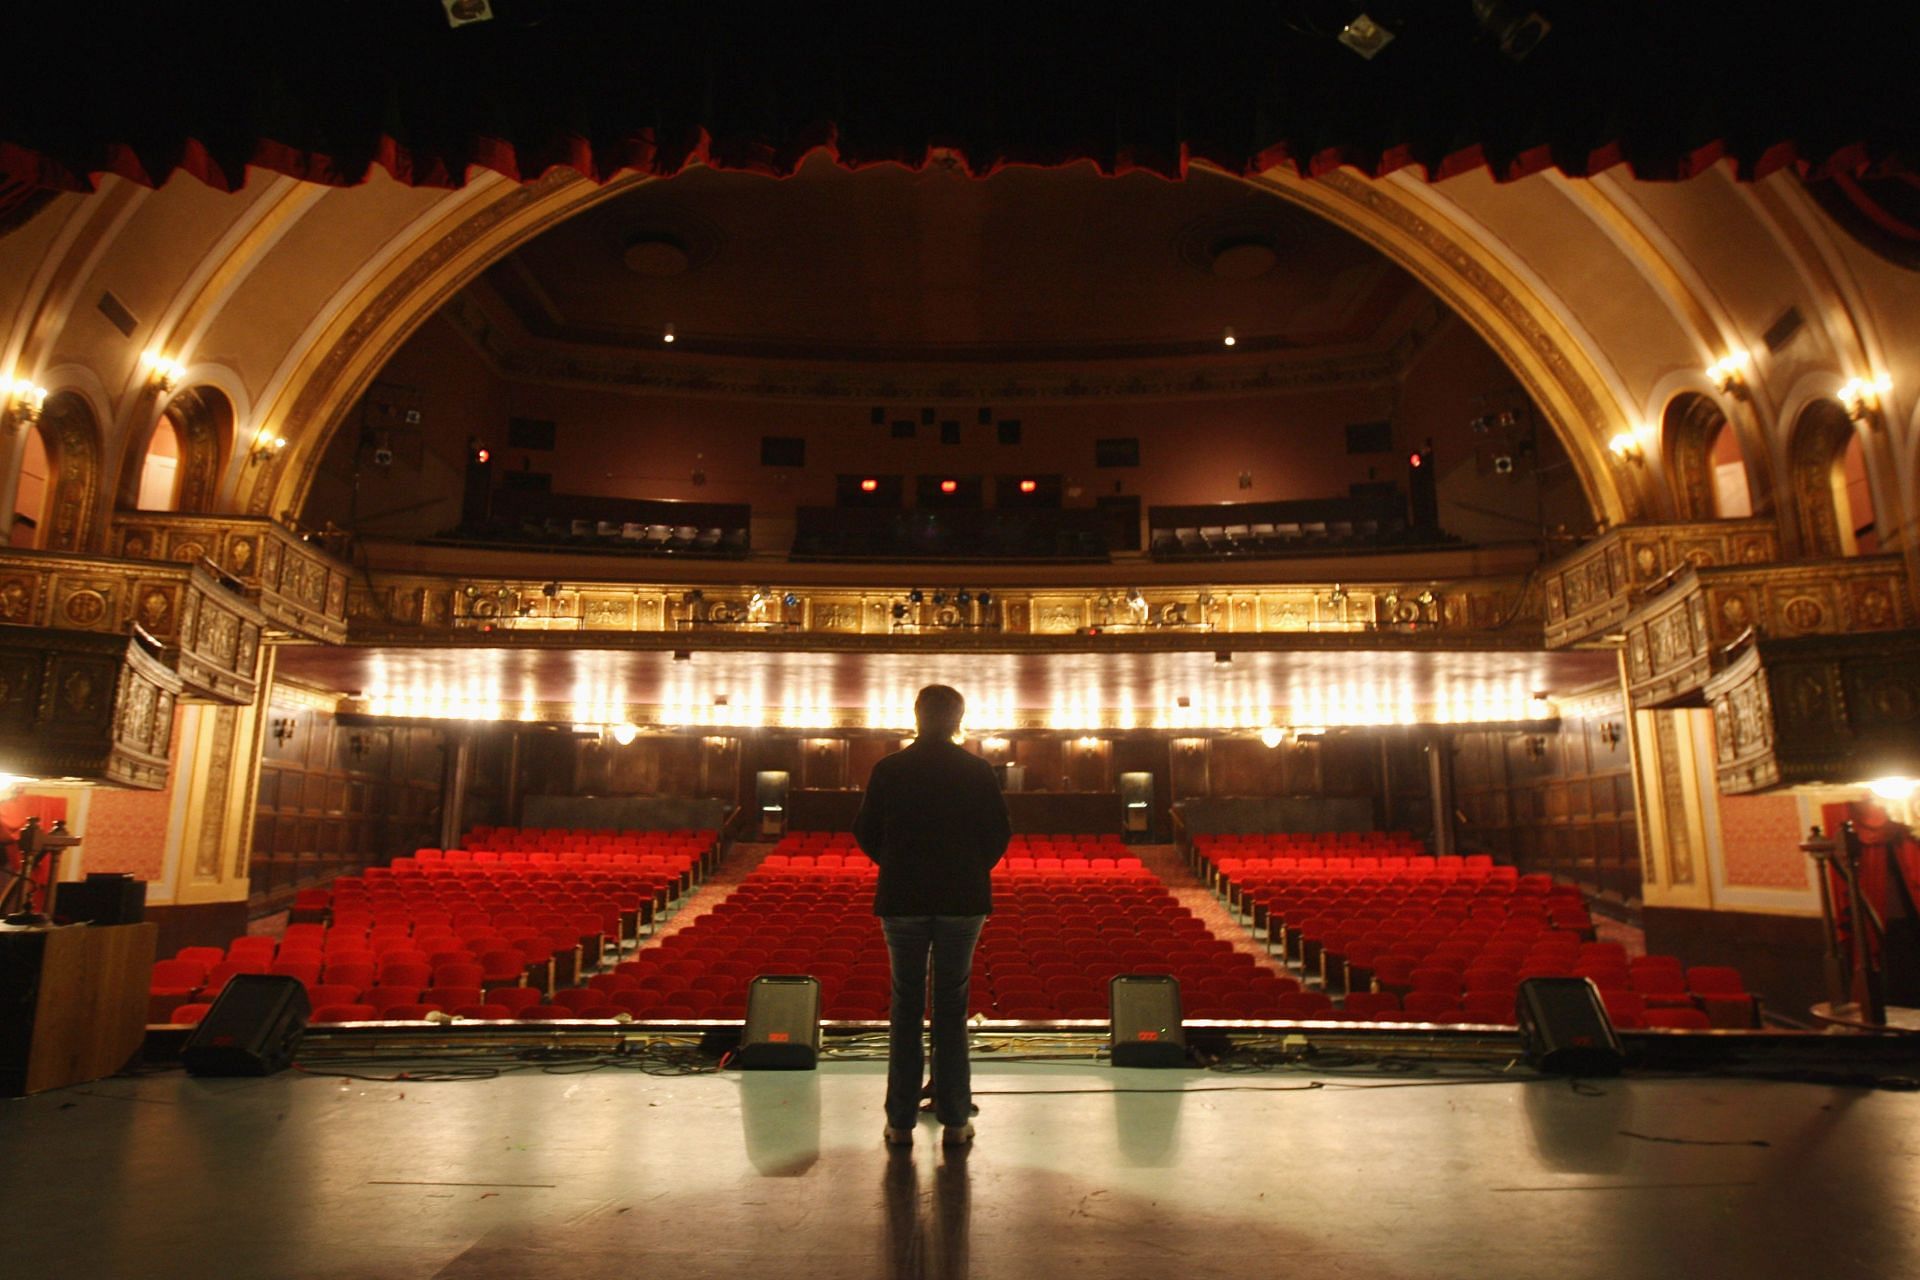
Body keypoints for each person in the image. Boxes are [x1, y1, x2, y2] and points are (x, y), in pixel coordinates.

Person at [853, 684, 1011, 1148]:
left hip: (902, 899)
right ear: (958, 719)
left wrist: (898, 864)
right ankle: (956, 1118)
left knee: (905, 1008)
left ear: (917, 717)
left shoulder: (890, 769)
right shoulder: (977, 770)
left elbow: (865, 831)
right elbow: (998, 834)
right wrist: (965, 869)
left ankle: (900, 1122)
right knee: (951, 1009)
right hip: (962, 901)